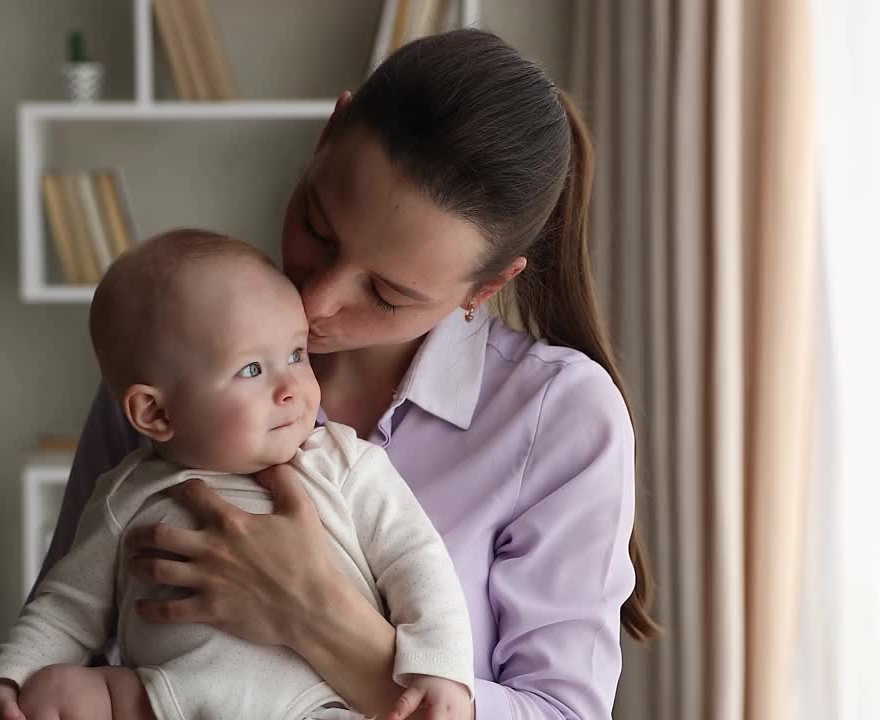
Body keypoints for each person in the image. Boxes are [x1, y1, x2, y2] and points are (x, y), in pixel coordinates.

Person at [33, 28, 658, 720]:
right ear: (328, 133)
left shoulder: (556, 415)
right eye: (318, 228)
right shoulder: (177, 359)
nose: (319, 300)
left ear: (482, 290)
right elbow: (68, 636)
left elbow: (564, 711)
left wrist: (315, 615)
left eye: (387, 295)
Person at [0, 230, 475, 720]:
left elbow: (418, 564)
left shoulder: (345, 465)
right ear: (155, 413)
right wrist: (10, 678)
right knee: (52, 693)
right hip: (158, 700)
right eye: (253, 370)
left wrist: (442, 670)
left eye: (296, 354)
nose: (290, 388)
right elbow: (67, 607)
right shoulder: (128, 493)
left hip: (313, 707)